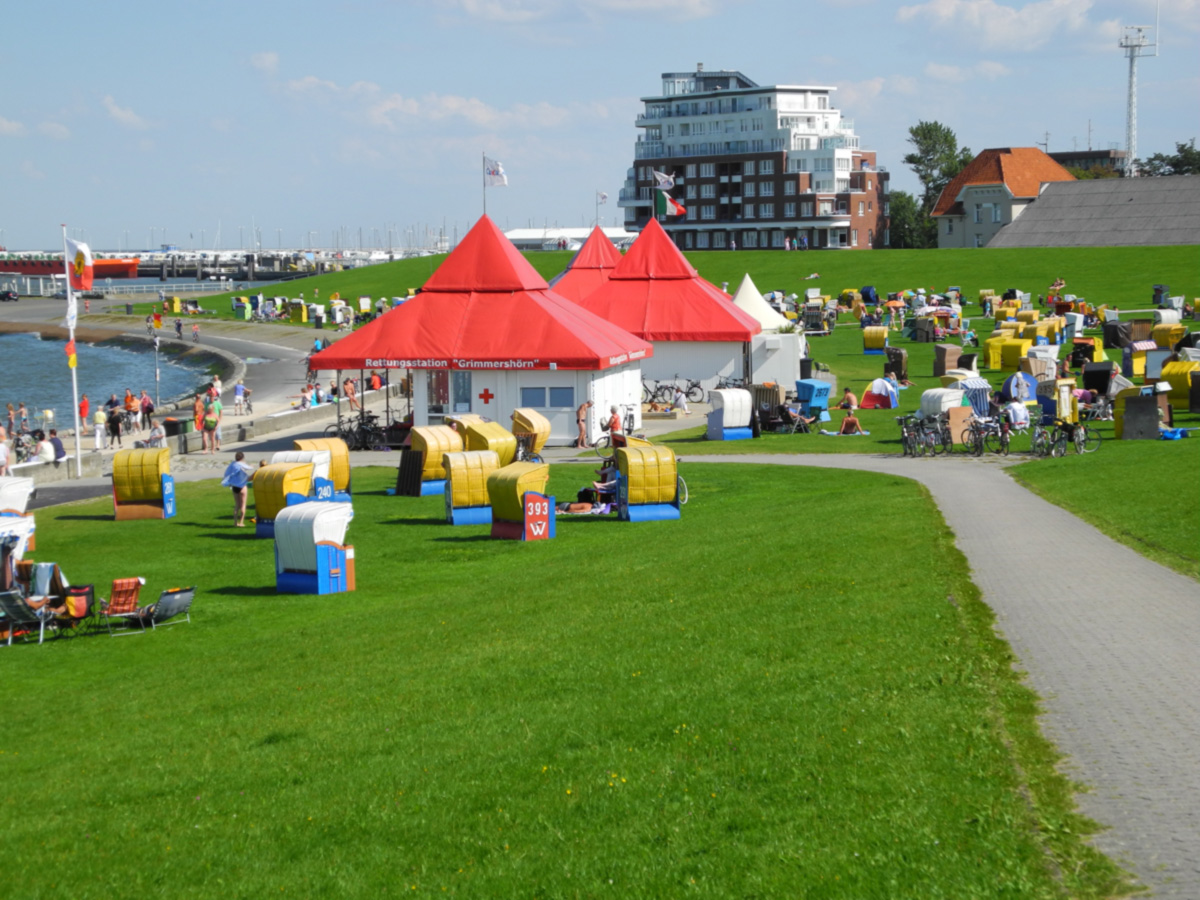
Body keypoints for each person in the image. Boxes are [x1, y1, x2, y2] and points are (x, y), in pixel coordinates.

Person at [221, 451, 254, 527]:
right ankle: (241, 522)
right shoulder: (241, 465)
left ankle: (235, 522)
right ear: (242, 458)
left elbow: (227, 473)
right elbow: (248, 467)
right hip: (242, 486)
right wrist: (251, 466)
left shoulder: (233, 465)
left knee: (237, 505)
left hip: (235, 487)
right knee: (243, 505)